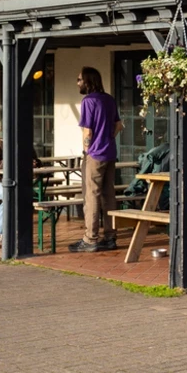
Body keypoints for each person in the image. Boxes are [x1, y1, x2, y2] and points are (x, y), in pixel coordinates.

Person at [70, 67, 123, 253]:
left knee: (91, 195)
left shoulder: (89, 101)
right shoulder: (109, 99)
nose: (77, 83)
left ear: (87, 81)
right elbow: (119, 125)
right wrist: (109, 138)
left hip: (95, 154)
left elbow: (88, 130)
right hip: (110, 153)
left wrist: (88, 150)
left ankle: (90, 238)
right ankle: (110, 237)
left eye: (79, 79)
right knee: (109, 195)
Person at [0, 138, 41, 250]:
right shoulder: (1, 143)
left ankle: (4, 232)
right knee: (10, 196)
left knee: (13, 197)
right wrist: (15, 162)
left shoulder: (26, 142)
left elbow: (36, 160)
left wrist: (35, 163)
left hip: (20, 183)